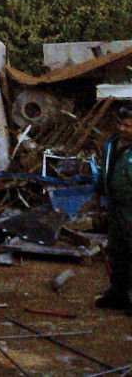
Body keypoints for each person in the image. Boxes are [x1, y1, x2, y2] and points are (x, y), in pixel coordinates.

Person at [93, 104, 132, 312]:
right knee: (117, 251)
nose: (123, 129)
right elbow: (103, 170)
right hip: (116, 208)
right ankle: (118, 293)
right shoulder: (111, 145)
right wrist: (98, 192)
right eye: (121, 124)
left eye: (128, 126)